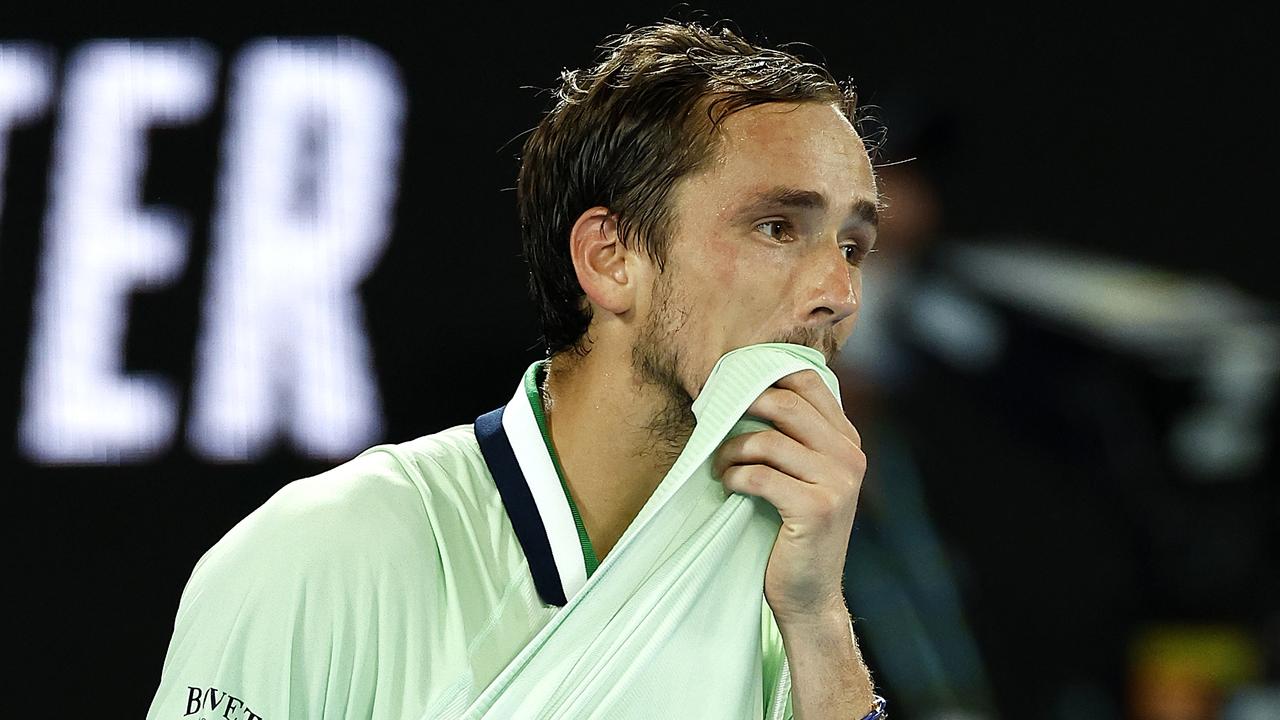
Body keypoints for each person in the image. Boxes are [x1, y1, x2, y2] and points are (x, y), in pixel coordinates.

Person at [148, 21, 887, 720]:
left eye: (852, 245)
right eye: (777, 227)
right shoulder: (324, 551)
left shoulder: (782, 597)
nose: (839, 295)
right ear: (610, 259)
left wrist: (818, 620)